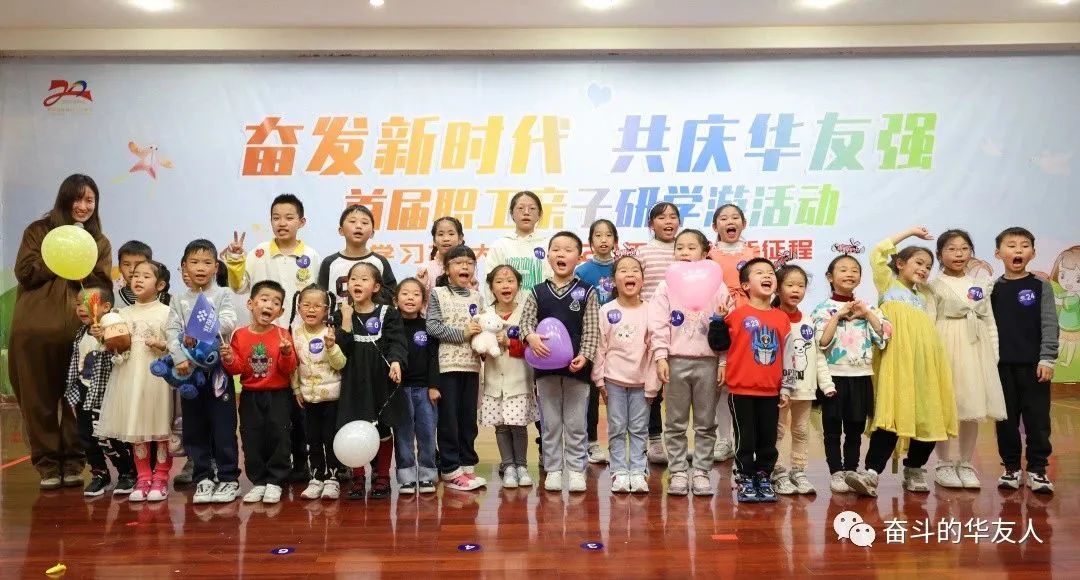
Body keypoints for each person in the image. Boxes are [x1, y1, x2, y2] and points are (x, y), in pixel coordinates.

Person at [9, 173, 113, 489]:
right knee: (37, 401)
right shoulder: (38, 231)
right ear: (64, 199)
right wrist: (59, 255)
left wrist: (83, 259)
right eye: (77, 198)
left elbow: (102, 286)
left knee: (77, 400)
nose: (83, 206)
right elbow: (25, 273)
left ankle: (74, 461)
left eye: (89, 200)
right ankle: (47, 466)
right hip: (33, 333)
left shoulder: (99, 242)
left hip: (79, 337)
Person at [845, 227, 957, 498]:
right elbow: (877, 253)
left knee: (928, 413)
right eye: (919, 262)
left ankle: (915, 469)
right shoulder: (888, 285)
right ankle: (871, 473)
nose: (924, 269)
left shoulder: (923, 296)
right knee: (893, 413)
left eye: (928, 266)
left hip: (926, 362)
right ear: (900, 264)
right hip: (897, 362)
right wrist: (911, 233)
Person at [224, 193, 322, 484]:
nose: (282, 223)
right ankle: (269, 469)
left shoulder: (311, 256)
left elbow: (317, 296)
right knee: (271, 413)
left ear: (301, 222)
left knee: (300, 402)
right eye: (276, 217)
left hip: (299, 338)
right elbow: (239, 287)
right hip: (264, 340)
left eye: (289, 217)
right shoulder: (257, 253)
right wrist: (235, 261)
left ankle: (302, 464)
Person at [650, 229, 730, 497]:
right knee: (675, 422)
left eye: (691, 247)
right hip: (676, 361)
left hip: (708, 362)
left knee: (706, 423)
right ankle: (678, 471)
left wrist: (723, 361)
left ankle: (702, 471)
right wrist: (661, 356)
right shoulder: (665, 286)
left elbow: (727, 329)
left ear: (705, 252)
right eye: (679, 247)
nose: (684, 252)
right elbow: (658, 324)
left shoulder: (718, 286)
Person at [927, 229, 1006, 490]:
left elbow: (989, 319)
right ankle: (944, 463)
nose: (959, 254)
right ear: (940, 254)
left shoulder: (980, 284)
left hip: (976, 349)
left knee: (972, 407)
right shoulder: (933, 285)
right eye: (951, 249)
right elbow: (929, 322)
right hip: (945, 347)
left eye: (964, 248)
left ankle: (966, 463)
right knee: (945, 406)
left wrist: (993, 353)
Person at [521, 231, 600, 493]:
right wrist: (530, 336)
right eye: (556, 249)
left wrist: (585, 355)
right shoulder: (537, 292)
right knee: (550, 423)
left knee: (576, 424)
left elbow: (592, 330)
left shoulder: (587, 292)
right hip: (545, 371)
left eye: (568, 250)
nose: (561, 254)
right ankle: (553, 468)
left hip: (577, 370)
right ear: (548, 256)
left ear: (579, 257)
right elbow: (525, 322)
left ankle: (576, 469)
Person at [708, 257, 790, 503]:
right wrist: (717, 320)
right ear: (745, 285)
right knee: (746, 438)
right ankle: (745, 477)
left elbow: (788, 355)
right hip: (741, 390)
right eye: (760, 273)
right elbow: (718, 344)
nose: (767, 276)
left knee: (768, 438)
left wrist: (786, 387)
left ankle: (764, 476)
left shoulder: (782, 318)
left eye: (770, 273)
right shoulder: (737, 315)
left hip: (771, 391)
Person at [168, 239, 241, 505]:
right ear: (184, 267)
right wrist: (179, 357)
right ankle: (203, 477)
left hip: (218, 372)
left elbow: (229, 322)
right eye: (194, 262)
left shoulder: (222, 294)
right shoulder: (178, 299)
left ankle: (229, 477)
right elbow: (172, 331)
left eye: (207, 262)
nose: (200, 268)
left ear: (216, 267)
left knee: (224, 427)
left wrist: (198, 332)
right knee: (194, 427)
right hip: (189, 373)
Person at [810, 254, 890, 494]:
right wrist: (838, 316)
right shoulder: (822, 309)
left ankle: (852, 470)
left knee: (855, 428)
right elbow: (821, 342)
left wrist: (866, 314)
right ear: (830, 277)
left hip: (861, 376)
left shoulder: (867, 307)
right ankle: (836, 472)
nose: (850, 274)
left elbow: (885, 335)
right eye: (843, 269)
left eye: (855, 270)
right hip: (833, 378)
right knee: (832, 429)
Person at [95, 260, 173, 502]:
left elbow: (176, 345)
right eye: (135, 275)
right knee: (136, 427)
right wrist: (103, 338)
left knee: (160, 427)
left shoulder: (167, 312)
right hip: (129, 378)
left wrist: (162, 344)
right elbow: (117, 348)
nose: (138, 279)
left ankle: (161, 477)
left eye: (146, 276)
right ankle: (143, 477)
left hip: (158, 379)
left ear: (160, 285)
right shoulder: (121, 314)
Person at [990, 227, 1058, 493]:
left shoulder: (1040, 286)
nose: (1018, 250)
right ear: (998, 253)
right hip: (1000, 367)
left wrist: (1047, 358)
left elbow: (1050, 324)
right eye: (1011, 245)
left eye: (1024, 245)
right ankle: (1010, 468)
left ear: (1033, 253)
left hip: (1034, 367)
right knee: (1005, 422)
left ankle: (1038, 470)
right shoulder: (993, 289)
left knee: (1037, 421)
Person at [336, 262, 408, 500]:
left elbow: (397, 342)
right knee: (354, 427)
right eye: (353, 279)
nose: (357, 282)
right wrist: (346, 320)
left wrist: (396, 361)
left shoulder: (389, 313)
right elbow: (342, 350)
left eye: (364, 279)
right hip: (354, 382)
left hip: (381, 381)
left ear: (376, 287)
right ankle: (358, 478)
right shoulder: (342, 314)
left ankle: (382, 477)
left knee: (383, 427)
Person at [222, 280, 297, 505]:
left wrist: (286, 353)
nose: (269, 305)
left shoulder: (283, 334)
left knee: (279, 437)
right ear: (250, 304)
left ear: (280, 311)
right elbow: (237, 369)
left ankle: (276, 481)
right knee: (251, 438)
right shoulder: (239, 335)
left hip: (278, 395)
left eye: (275, 303)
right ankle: (259, 481)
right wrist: (229, 358)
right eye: (264, 299)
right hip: (250, 396)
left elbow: (289, 368)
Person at [62, 280, 135, 497]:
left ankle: (127, 472)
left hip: (106, 394)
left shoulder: (114, 330)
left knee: (109, 436)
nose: (81, 308)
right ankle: (99, 474)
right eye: (78, 304)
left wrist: (103, 337)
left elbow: (121, 355)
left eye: (88, 303)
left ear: (106, 307)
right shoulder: (80, 333)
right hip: (85, 391)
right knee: (86, 436)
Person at [428, 245, 487, 491]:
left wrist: (486, 343)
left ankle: (467, 466)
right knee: (449, 421)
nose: (465, 267)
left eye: (469, 263)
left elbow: (484, 328)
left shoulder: (477, 297)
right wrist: (462, 333)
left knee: (468, 420)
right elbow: (432, 327)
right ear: (446, 269)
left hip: (471, 367)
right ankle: (451, 470)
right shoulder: (438, 293)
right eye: (458, 263)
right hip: (447, 367)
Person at [773, 265, 835, 495]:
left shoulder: (808, 320)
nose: (796, 290)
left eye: (800, 285)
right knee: (777, 432)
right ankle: (776, 471)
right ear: (777, 289)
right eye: (790, 285)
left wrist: (826, 384)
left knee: (801, 432)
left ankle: (798, 471)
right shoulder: (773, 318)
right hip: (780, 391)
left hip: (805, 390)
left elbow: (817, 355)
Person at [706, 203, 761, 463]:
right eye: (724, 218)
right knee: (721, 381)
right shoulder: (708, 254)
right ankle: (723, 439)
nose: (730, 221)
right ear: (714, 226)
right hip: (719, 317)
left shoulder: (754, 252)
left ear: (744, 224)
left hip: (749, 319)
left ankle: (746, 440)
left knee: (744, 381)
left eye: (735, 217)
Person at [593, 256, 651, 493]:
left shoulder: (651, 310)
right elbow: (600, 348)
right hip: (613, 381)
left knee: (639, 428)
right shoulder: (606, 310)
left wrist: (654, 383)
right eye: (623, 270)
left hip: (642, 383)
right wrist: (599, 380)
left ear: (642, 279)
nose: (630, 274)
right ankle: (618, 471)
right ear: (613, 280)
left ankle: (638, 471)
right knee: (616, 428)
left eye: (635, 270)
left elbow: (656, 348)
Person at [480, 265, 538, 489]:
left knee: (518, 426)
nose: (505, 285)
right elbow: (478, 348)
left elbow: (533, 348)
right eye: (499, 281)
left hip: (519, 379)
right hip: (493, 380)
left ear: (518, 285)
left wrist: (509, 343)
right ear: (491, 288)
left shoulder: (526, 313)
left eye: (510, 281)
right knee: (501, 426)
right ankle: (508, 466)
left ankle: (521, 466)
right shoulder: (484, 315)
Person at [290, 284, 346, 501]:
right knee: (312, 438)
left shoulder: (331, 332)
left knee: (330, 438)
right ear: (298, 308)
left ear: (326, 310)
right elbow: (294, 366)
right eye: (306, 305)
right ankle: (316, 477)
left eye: (317, 306)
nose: (311, 309)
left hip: (332, 397)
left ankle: (332, 478)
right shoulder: (295, 334)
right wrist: (296, 389)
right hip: (308, 397)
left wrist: (331, 346)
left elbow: (340, 364)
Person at [637, 202, 681, 465]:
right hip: (650, 326)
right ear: (651, 224)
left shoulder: (685, 249)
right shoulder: (643, 252)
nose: (668, 222)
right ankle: (653, 439)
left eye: (673, 217)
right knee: (652, 383)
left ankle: (677, 442)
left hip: (682, 328)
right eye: (662, 217)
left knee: (677, 386)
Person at [575, 219, 618, 465]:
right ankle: (591, 442)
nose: (603, 240)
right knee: (591, 394)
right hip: (591, 338)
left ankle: (619, 443)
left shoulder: (622, 267)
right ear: (590, 242)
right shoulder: (582, 271)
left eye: (608, 235)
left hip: (618, 339)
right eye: (598, 235)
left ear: (615, 240)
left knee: (617, 392)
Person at [393, 278, 441, 495]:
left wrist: (434, 386)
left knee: (427, 433)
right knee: (403, 434)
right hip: (399, 390)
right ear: (396, 299)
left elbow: (433, 358)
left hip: (424, 389)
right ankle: (406, 477)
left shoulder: (427, 327)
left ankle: (428, 475)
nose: (410, 298)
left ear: (423, 301)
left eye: (416, 294)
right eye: (405, 293)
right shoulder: (391, 326)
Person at [318, 204, 397, 304]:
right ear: (341, 231)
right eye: (352, 221)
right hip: (337, 314)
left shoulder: (380, 262)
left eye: (365, 223)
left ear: (372, 233)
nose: (359, 226)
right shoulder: (329, 262)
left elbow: (391, 297)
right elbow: (320, 298)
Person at [416, 216, 477, 296]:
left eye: (451, 234)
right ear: (434, 241)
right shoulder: (425, 270)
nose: (446, 239)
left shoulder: (467, 267)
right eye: (441, 234)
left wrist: (472, 290)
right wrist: (421, 286)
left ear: (460, 239)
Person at [114, 240, 154, 307]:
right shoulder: (112, 300)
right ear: (119, 268)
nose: (132, 270)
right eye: (127, 264)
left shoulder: (164, 300)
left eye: (138, 264)